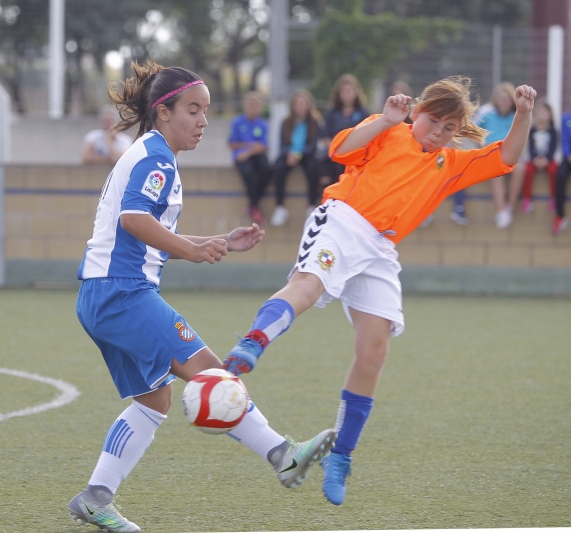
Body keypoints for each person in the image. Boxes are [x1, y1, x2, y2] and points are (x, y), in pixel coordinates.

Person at [223, 77, 536, 506]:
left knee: (375, 351)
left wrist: (523, 114)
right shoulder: (388, 128)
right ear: (417, 111)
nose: (439, 132)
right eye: (433, 121)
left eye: (449, 128)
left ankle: (342, 458)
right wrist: (386, 119)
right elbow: (339, 150)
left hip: (381, 248)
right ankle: (252, 343)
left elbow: (507, 155)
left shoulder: (449, 163)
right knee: (307, 286)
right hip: (341, 220)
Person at [69, 61, 335, 533]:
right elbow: (134, 219)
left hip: (101, 294)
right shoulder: (156, 159)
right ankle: (283, 454)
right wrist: (193, 249)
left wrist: (218, 241)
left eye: (206, 111)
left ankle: (95, 498)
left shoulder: (151, 153)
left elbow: (140, 229)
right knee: (214, 371)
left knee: (155, 403)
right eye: (193, 109)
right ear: (164, 111)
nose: (203, 121)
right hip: (122, 294)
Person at [467, 82, 526, 229]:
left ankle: (509, 207)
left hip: (510, 154)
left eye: (507, 99)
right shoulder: (487, 112)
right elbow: (471, 130)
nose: (504, 102)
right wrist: (481, 147)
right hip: (491, 154)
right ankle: (501, 210)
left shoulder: (515, 115)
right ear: (496, 100)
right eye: (501, 99)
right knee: (495, 173)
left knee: (520, 169)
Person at [270, 88, 323, 226]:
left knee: (313, 167)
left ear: (308, 105)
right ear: (293, 106)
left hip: (305, 154)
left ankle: (312, 205)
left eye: (303, 103)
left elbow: (312, 146)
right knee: (279, 168)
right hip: (288, 154)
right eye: (297, 103)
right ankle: (280, 207)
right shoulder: (286, 122)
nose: (300, 106)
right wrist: (289, 154)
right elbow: (281, 145)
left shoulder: (314, 122)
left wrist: (298, 155)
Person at [316, 74, 370, 192]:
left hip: (356, 153)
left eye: (349, 91)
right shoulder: (331, 113)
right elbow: (325, 134)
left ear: (356, 92)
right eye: (344, 91)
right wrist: (337, 147)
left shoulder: (363, 113)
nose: (347, 95)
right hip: (335, 152)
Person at [228, 91, 272, 225]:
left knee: (267, 171)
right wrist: (253, 145)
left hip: (252, 155)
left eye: (256, 105)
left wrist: (247, 150)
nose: (253, 107)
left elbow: (264, 146)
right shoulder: (237, 122)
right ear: (245, 106)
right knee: (248, 174)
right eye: (251, 104)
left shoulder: (263, 124)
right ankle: (255, 207)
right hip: (241, 156)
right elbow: (232, 144)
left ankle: (253, 205)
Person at [521, 99, 558, 215]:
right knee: (528, 169)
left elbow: (553, 147)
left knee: (554, 170)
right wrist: (535, 159)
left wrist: (547, 159)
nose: (542, 115)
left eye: (545, 112)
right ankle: (526, 199)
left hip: (548, 159)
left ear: (550, 115)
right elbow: (530, 148)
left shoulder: (553, 131)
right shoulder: (532, 131)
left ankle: (553, 198)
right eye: (539, 112)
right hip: (535, 160)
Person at [553, 109, 571, 234]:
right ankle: (560, 216)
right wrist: (568, 154)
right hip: (568, 158)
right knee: (560, 176)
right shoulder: (566, 119)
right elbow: (564, 141)